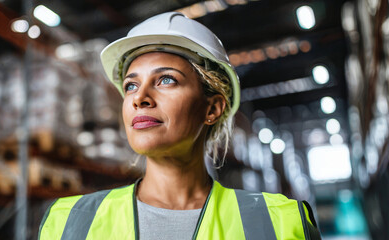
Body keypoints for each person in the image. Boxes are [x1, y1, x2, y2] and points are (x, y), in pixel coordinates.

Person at [39, 12, 321, 240]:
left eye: (166, 80)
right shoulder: (67, 221)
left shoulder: (283, 223)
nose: (140, 98)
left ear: (212, 108)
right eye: (131, 85)